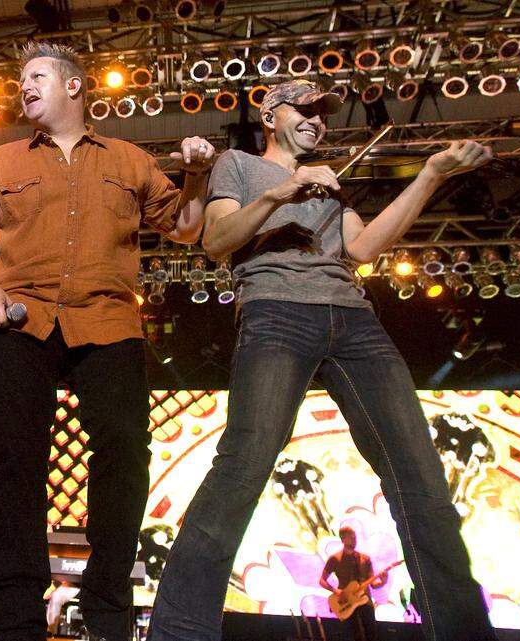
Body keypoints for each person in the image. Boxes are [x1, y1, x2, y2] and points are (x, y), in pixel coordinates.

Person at [148, 79, 496, 641]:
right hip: (276, 312)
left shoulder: (331, 186)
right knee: (244, 463)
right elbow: (215, 239)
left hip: (354, 319)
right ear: (269, 115)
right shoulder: (238, 164)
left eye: (323, 114)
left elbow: (361, 248)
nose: (317, 120)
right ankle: (179, 632)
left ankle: (460, 631)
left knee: (420, 472)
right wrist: (281, 194)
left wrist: (431, 175)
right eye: (304, 109)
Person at [0, 41, 215, 641]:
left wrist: (195, 173)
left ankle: (107, 603)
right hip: (22, 321)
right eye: (21, 80)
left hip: (108, 321)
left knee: (125, 446)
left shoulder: (128, 159)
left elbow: (188, 227)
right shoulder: (0, 162)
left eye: (36, 76)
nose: (25, 87)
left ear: (73, 86)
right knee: (14, 458)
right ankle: (16, 619)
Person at [321, 526, 386, 641]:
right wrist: (335, 590)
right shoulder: (335, 559)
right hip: (346, 602)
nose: (354, 540)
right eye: (351, 538)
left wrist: (383, 581)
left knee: (371, 633)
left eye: (355, 537)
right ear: (343, 539)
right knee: (353, 634)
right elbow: (322, 581)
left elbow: (373, 584)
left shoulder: (365, 559)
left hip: (365, 601)